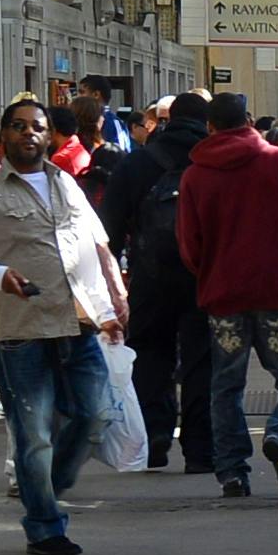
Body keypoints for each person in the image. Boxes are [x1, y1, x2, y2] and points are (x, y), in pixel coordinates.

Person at [0, 97, 122, 555]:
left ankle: (47, 485)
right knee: (33, 436)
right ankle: (45, 526)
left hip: (76, 323)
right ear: (4, 135)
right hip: (20, 330)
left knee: (95, 415)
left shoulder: (65, 183)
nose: (28, 133)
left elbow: (90, 245)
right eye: (18, 126)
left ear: (49, 136)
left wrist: (108, 306)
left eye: (37, 127)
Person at [178, 92, 278, 498]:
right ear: (246, 121)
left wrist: (211, 270)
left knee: (226, 385)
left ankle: (232, 472)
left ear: (210, 127)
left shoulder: (194, 176)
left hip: (224, 295)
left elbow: (189, 245)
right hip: (277, 289)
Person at [100, 95, 209, 477]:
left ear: (166, 121)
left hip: (150, 276)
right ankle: (201, 450)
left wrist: (113, 282)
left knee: (149, 354)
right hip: (203, 276)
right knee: (201, 360)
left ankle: (154, 440)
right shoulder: (211, 162)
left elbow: (109, 228)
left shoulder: (138, 162)